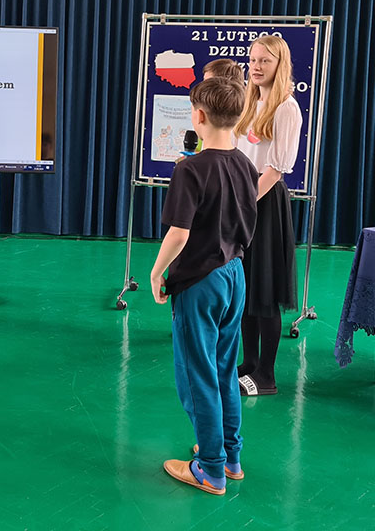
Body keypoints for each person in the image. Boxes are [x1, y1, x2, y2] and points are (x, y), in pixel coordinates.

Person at [149, 78, 258, 496]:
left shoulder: (190, 169)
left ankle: (209, 468)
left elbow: (179, 234)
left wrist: (158, 272)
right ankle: (230, 456)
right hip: (234, 275)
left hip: (200, 282)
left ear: (198, 116)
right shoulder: (245, 164)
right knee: (224, 368)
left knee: (197, 375)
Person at [232, 35, 303, 396]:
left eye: (265, 61)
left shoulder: (287, 108)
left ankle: (267, 376)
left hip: (264, 203)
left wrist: (242, 205)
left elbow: (275, 170)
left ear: (280, 65)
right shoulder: (250, 103)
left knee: (265, 290)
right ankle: (249, 363)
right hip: (243, 199)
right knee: (245, 289)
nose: (256, 67)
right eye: (253, 59)